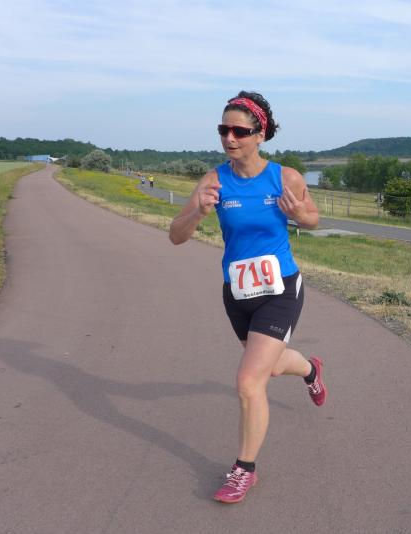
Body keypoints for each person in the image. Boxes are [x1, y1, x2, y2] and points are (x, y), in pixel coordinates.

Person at [168, 91, 325, 504]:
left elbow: (313, 218)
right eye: (223, 129)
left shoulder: (285, 177)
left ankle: (244, 470)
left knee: (248, 380)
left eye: (239, 131)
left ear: (261, 134)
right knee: (270, 369)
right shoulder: (214, 180)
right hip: (237, 292)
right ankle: (310, 369)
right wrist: (197, 213)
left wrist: (298, 215)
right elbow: (175, 235)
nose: (229, 138)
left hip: (280, 288)